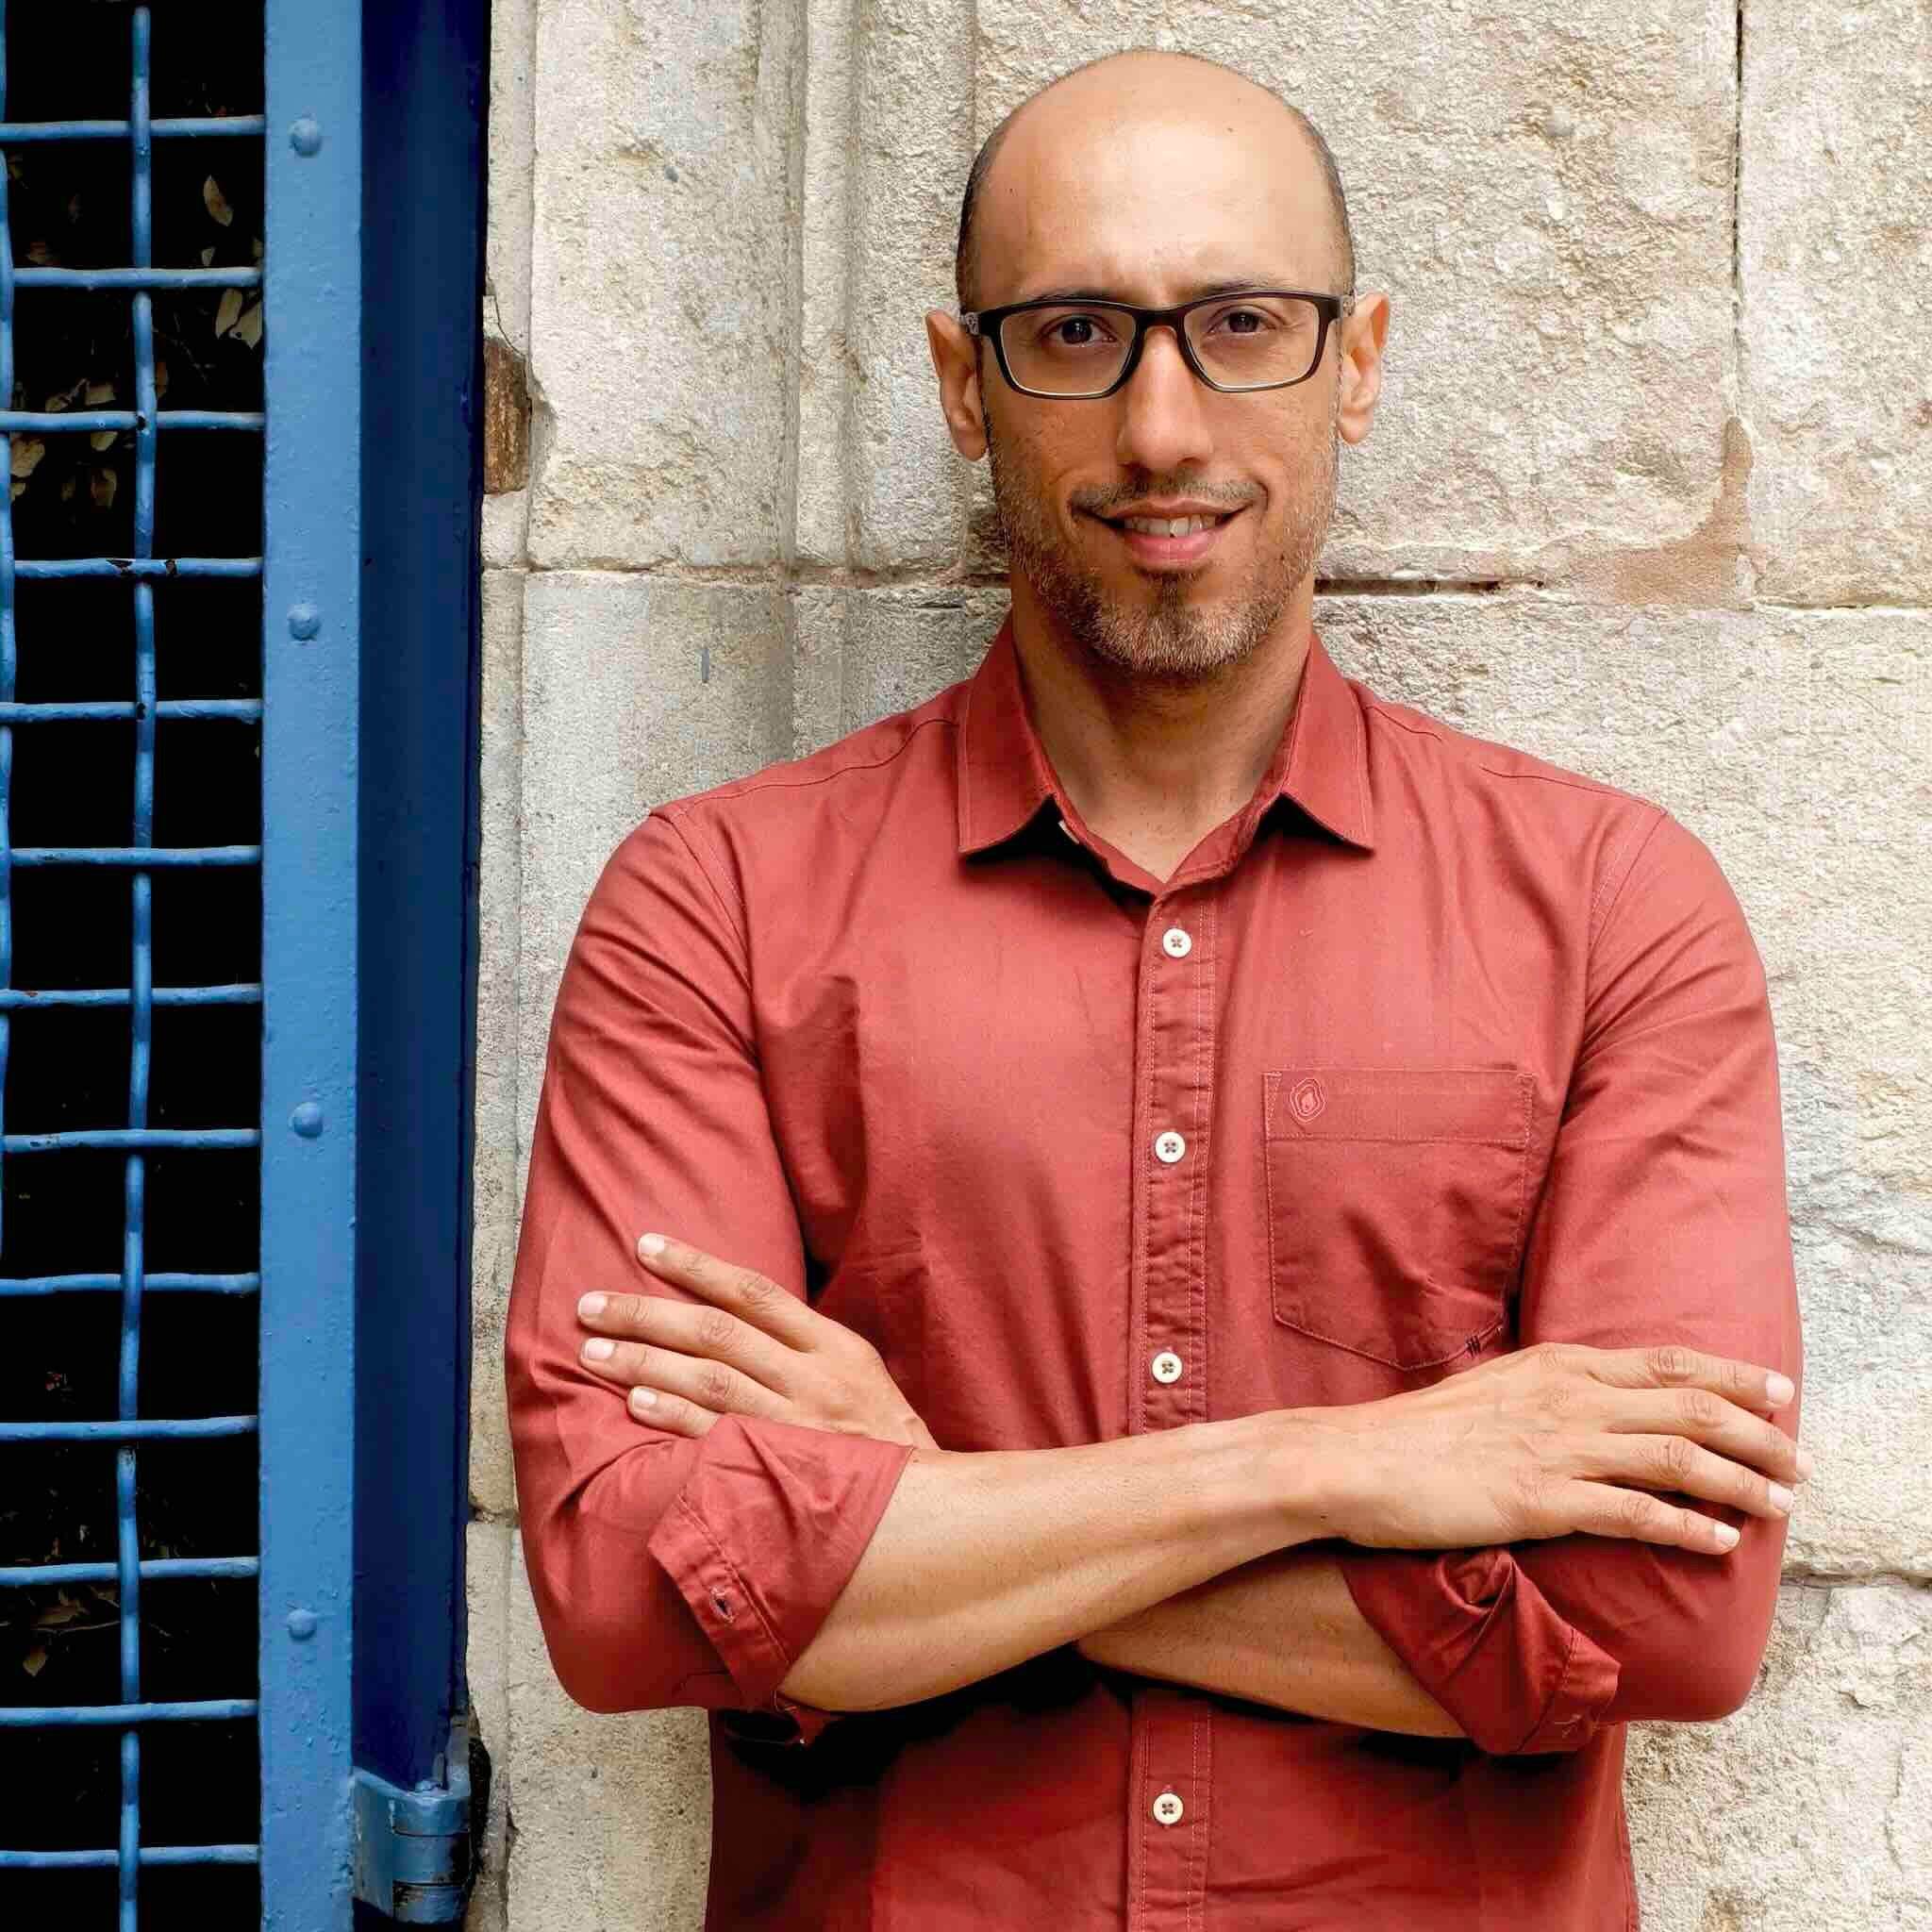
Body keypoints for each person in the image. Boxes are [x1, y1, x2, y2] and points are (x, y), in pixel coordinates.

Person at [505, 47, 1806, 1931]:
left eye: (1240, 325)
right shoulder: (714, 907)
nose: (1163, 423)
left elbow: (1665, 1617)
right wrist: (1356, 1464)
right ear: (965, 385)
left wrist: (927, 1518)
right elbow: (633, 1589)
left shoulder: (1611, 911)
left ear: (1353, 358)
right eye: (1076, 332)